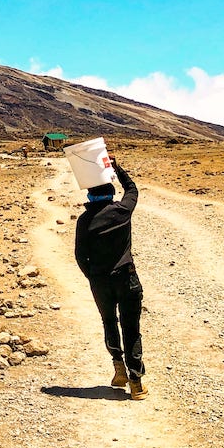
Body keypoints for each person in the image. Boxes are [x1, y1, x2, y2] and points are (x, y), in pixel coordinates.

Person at [73, 158, 147, 400]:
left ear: (91, 195)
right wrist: (116, 168)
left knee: (109, 322)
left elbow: (79, 255)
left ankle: (119, 370)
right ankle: (136, 383)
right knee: (131, 329)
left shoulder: (84, 220)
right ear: (110, 192)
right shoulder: (121, 211)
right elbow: (133, 189)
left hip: (100, 282)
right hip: (127, 278)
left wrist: (93, 276)